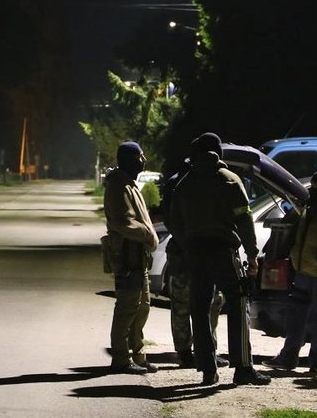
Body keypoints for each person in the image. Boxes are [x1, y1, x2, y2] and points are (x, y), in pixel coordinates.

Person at [168, 132, 271, 386]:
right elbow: (245, 220)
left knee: (199, 310)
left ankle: (207, 369)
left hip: (195, 254)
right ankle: (243, 367)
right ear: (218, 153)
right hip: (223, 252)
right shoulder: (229, 180)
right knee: (238, 303)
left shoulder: (185, 183)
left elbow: (173, 221)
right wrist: (252, 254)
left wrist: (187, 243)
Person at [265, 171, 317, 376]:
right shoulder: (309, 208)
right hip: (302, 271)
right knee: (296, 318)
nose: (312, 192)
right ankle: (289, 357)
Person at [162, 159, 227, 370]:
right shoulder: (187, 183)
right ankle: (196, 352)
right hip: (189, 251)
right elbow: (171, 220)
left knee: (191, 303)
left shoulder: (179, 182)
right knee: (204, 303)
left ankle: (191, 351)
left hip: (185, 251)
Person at [103, 141, 160, 374]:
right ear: (128, 159)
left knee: (142, 306)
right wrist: (148, 235)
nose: (143, 160)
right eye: (139, 156)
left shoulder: (129, 184)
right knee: (127, 307)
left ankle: (137, 353)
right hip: (127, 255)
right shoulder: (118, 186)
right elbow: (123, 222)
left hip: (138, 255)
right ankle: (120, 358)